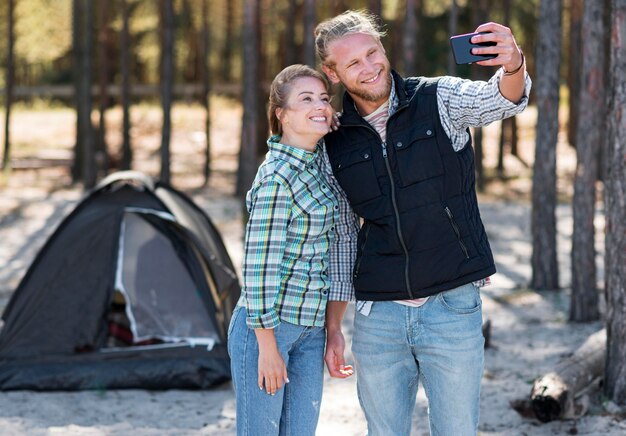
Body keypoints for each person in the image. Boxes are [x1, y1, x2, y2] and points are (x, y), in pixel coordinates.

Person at [315, 10, 531, 436]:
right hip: (378, 315)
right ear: (332, 73)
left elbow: (502, 99)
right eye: (353, 62)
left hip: (452, 305)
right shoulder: (333, 140)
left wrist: (513, 62)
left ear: (383, 48)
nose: (369, 66)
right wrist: (334, 326)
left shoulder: (437, 97)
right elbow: (341, 237)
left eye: (372, 52)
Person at [227, 64, 353, 436]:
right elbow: (258, 268)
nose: (320, 106)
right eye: (306, 99)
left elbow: (340, 248)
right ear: (281, 114)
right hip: (267, 329)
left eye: (324, 99)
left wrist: (333, 328)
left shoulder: (319, 168)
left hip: (310, 331)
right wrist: (266, 346)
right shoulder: (277, 176)